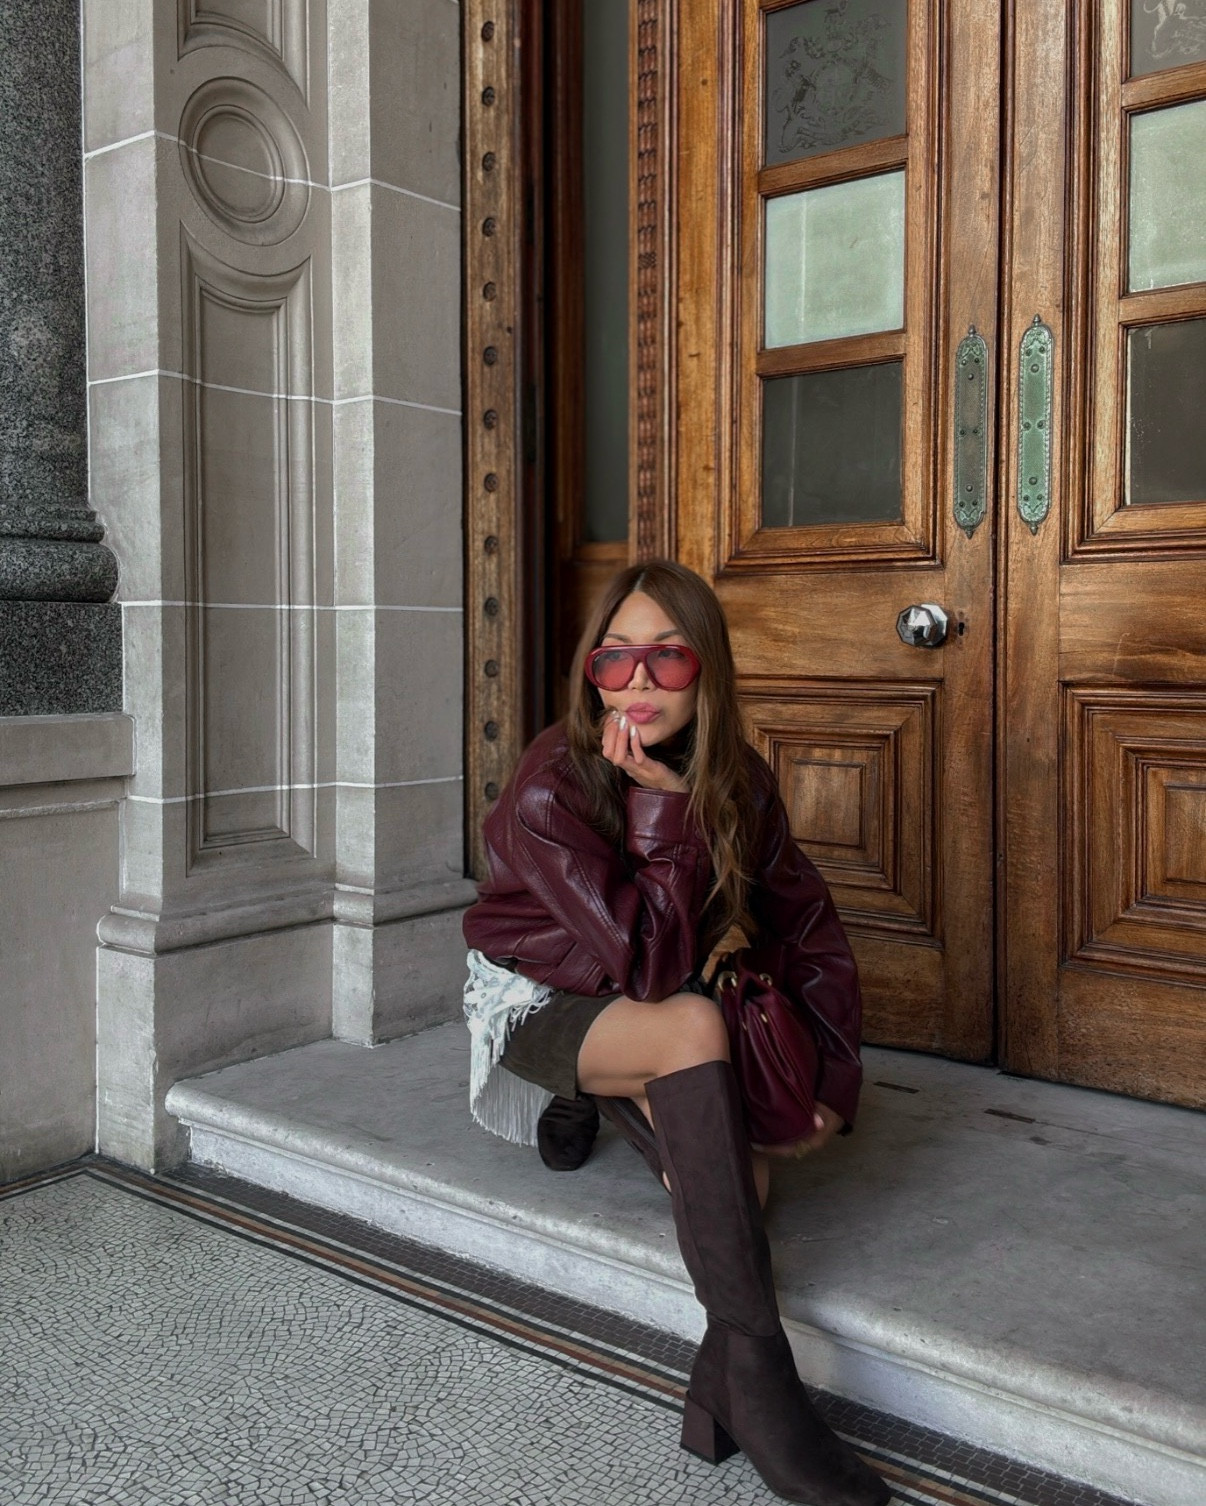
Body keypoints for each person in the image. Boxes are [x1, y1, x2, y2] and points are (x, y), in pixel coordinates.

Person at [462, 560, 890, 1506]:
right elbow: (646, 965)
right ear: (592, 674)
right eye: (615, 661)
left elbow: (808, 927)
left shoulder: (739, 776)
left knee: (749, 1182)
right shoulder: (550, 786)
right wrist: (661, 805)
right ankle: (765, 1383)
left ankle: (723, 1379)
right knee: (691, 1021)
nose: (639, 683)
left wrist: (832, 1083)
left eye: (668, 657)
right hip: (543, 999)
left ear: (708, 669)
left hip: (661, 996)